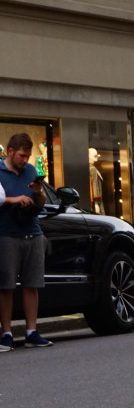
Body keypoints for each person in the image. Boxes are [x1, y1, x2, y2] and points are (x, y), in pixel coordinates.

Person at [0, 133, 53, 350]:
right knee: (6, 286)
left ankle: (32, 331)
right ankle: (7, 333)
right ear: (11, 151)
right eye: (22, 155)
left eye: (28, 156)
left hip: (33, 231)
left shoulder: (31, 171)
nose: (25, 160)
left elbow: (41, 203)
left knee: (32, 284)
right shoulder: (0, 171)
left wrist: (38, 192)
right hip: (6, 233)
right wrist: (14, 199)